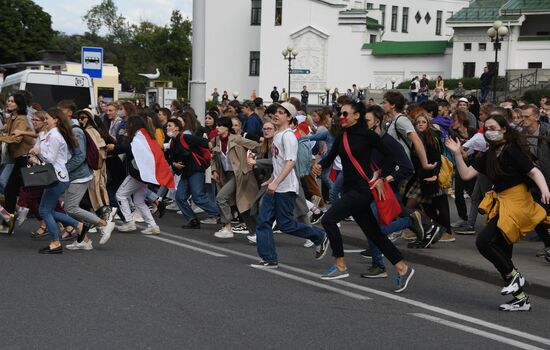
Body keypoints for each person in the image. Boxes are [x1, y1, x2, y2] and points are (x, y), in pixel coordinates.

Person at [446, 114, 550, 311]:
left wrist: (545, 190)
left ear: (503, 129)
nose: (488, 131)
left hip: (517, 203)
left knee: (484, 241)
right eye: (486, 128)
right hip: (503, 203)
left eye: (493, 127)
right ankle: (520, 299)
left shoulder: (511, 150)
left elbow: (534, 171)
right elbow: (466, 174)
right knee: (502, 251)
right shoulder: (490, 153)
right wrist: (457, 154)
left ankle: (515, 277)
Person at [315, 100, 415, 292]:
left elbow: (390, 157)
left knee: (328, 219)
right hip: (350, 188)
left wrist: (381, 178)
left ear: (356, 116)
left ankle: (340, 265)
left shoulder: (368, 135)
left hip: (363, 189)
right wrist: (320, 164)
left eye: (345, 114)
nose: (341, 117)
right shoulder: (343, 135)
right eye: (340, 114)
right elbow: (332, 155)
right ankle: (402, 268)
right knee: (374, 233)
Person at [252, 102, 328, 268]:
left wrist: (277, 182)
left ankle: (319, 236)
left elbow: (291, 161)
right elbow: (278, 162)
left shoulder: (288, 136)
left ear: (289, 117)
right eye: (275, 112)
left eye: (281, 112)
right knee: (263, 221)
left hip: (286, 188)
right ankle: (269, 258)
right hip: (276, 186)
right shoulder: (278, 135)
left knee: (285, 224)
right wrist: (271, 178)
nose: (276, 115)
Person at [29, 108, 86, 254]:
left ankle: (56, 242)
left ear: (56, 120)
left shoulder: (55, 136)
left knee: (45, 210)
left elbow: (50, 159)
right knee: (47, 210)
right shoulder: (51, 134)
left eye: (47, 118)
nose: (45, 120)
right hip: (56, 176)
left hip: (57, 177)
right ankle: (77, 225)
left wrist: (38, 153)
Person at [109, 115, 163, 235]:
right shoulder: (146, 136)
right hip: (144, 173)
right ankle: (153, 225)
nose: (127, 127)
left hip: (137, 173)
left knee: (120, 195)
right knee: (139, 201)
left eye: (129, 124)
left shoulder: (139, 136)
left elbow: (130, 148)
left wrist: (114, 148)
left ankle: (129, 222)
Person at [211, 117, 260, 238]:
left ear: (227, 128)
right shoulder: (216, 140)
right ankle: (256, 233)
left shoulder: (237, 139)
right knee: (242, 206)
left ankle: (227, 227)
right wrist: (214, 170)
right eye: (216, 125)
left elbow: (257, 147)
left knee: (221, 197)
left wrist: (251, 162)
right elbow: (213, 157)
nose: (217, 128)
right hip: (225, 174)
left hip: (238, 175)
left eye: (220, 126)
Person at [168, 118, 220, 229]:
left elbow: (206, 143)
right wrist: (174, 164)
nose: (167, 128)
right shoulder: (172, 142)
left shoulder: (185, 137)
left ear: (176, 128)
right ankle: (193, 220)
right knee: (180, 197)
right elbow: (170, 158)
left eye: (170, 125)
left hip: (196, 169)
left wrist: (214, 153)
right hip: (185, 172)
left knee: (198, 197)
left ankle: (222, 214)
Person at [0, 93, 34, 215]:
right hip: (18, 158)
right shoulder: (12, 118)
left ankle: (68, 223)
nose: (8, 103)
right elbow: (6, 133)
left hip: (26, 158)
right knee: (11, 189)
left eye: (12, 101)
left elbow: (16, 139)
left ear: (19, 105)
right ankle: (9, 220)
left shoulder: (21, 119)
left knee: (32, 192)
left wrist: (1, 138)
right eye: (8, 100)